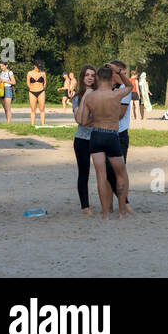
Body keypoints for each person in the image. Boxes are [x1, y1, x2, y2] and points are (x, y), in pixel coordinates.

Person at [75, 64, 134, 219]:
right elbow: (130, 85)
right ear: (110, 79)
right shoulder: (116, 95)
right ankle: (122, 212)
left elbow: (81, 120)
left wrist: (94, 120)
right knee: (121, 175)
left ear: (98, 78)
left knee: (101, 176)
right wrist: (119, 71)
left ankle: (106, 214)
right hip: (111, 135)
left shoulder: (91, 96)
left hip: (96, 136)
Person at [70, 65, 98, 214]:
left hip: (99, 137)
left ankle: (112, 203)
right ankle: (85, 207)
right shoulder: (76, 98)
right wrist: (86, 96)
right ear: (82, 77)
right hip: (82, 139)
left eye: (93, 75)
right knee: (84, 172)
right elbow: (79, 121)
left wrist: (88, 120)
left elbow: (102, 118)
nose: (89, 77)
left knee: (105, 171)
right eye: (87, 75)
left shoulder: (100, 96)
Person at [26, 60, 48, 125]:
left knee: (42, 109)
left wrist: (42, 88)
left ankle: (43, 124)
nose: (39, 68)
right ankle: (32, 124)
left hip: (41, 91)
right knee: (33, 109)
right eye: (38, 67)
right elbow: (28, 82)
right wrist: (31, 88)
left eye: (40, 67)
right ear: (34, 66)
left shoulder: (43, 73)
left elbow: (45, 82)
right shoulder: (29, 73)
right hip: (32, 92)